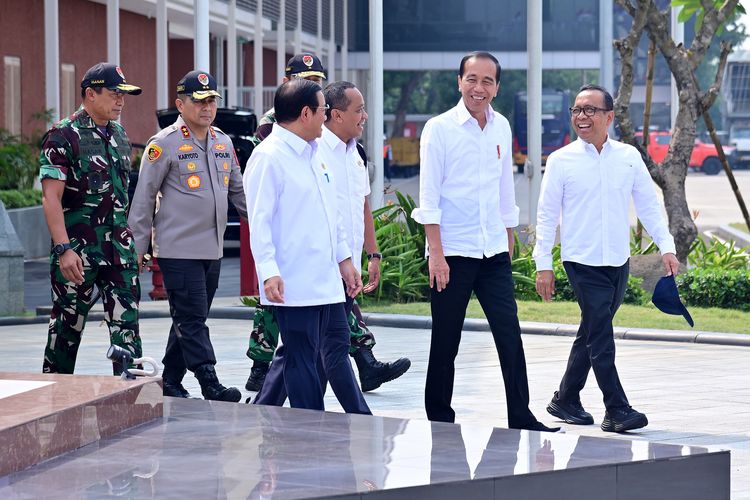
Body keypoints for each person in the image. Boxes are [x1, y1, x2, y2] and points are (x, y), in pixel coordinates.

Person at [245, 54, 410, 393]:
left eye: (317, 79)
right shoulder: (279, 134)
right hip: (294, 262)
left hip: (330, 260)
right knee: (299, 342)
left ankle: (355, 371)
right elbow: (264, 212)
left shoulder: (337, 145)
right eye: (305, 78)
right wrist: (268, 267)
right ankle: (265, 375)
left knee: (313, 345)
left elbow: (345, 208)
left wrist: (364, 254)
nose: (314, 85)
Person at [411, 51, 558, 432]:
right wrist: (437, 255)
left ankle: (521, 416)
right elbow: (429, 197)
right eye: (472, 79)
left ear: (497, 87)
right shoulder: (439, 129)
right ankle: (440, 419)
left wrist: (508, 237)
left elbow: (504, 188)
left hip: (493, 251)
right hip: (452, 254)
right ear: (459, 82)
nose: (479, 88)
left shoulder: (501, 126)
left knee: (509, 334)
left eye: (488, 81)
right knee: (446, 341)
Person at [533, 84, 679, 433]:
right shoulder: (561, 161)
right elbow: (545, 215)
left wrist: (667, 245)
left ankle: (565, 398)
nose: (582, 117)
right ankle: (616, 409)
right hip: (580, 261)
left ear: (609, 117)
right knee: (601, 334)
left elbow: (648, 205)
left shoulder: (628, 157)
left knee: (592, 331)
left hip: (617, 261)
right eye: (577, 111)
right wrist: (543, 264)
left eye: (590, 110)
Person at [243, 78, 370, 414]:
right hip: (294, 279)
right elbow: (260, 222)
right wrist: (269, 273)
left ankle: (334, 422)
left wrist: (345, 260)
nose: (326, 117)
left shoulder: (316, 153)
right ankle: (310, 431)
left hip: (327, 279)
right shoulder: (268, 157)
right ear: (305, 113)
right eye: (323, 111)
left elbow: (333, 214)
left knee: (335, 348)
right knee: (301, 359)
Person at [128, 70, 246, 402]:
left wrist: (275, 225)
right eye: (199, 101)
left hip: (213, 249)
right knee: (193, 318)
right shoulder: (163, 144)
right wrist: (136, 249)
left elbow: (240, 194)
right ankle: (210, 382)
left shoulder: (223, 142)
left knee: (189, 317)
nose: (207, 107)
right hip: (178, 250)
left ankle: (171, 381)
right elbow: (144, 199)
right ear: (180, 104)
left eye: (212, 101)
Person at [39, 62, 143, 375]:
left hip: (119, 255)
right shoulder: (62, 136)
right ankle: (53, 400)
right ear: (90, 94)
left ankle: (130, 400)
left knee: (127, 331)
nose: (121, 100)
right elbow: (50, 198)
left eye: (123, 94)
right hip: (78, 255)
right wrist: (63, 249)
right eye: (114, 93)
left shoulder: (120, 134)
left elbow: (121, 197)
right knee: (66, 332)